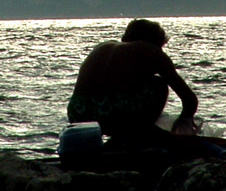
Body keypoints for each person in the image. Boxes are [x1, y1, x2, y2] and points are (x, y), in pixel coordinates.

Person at [67, 19, 198, 138]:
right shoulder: (151, 51)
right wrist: (183, 122)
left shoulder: (102, 47)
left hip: (78, 115)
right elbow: (190, 100)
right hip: (113, 115)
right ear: (156, 41)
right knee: (159, 83)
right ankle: (140, 134)